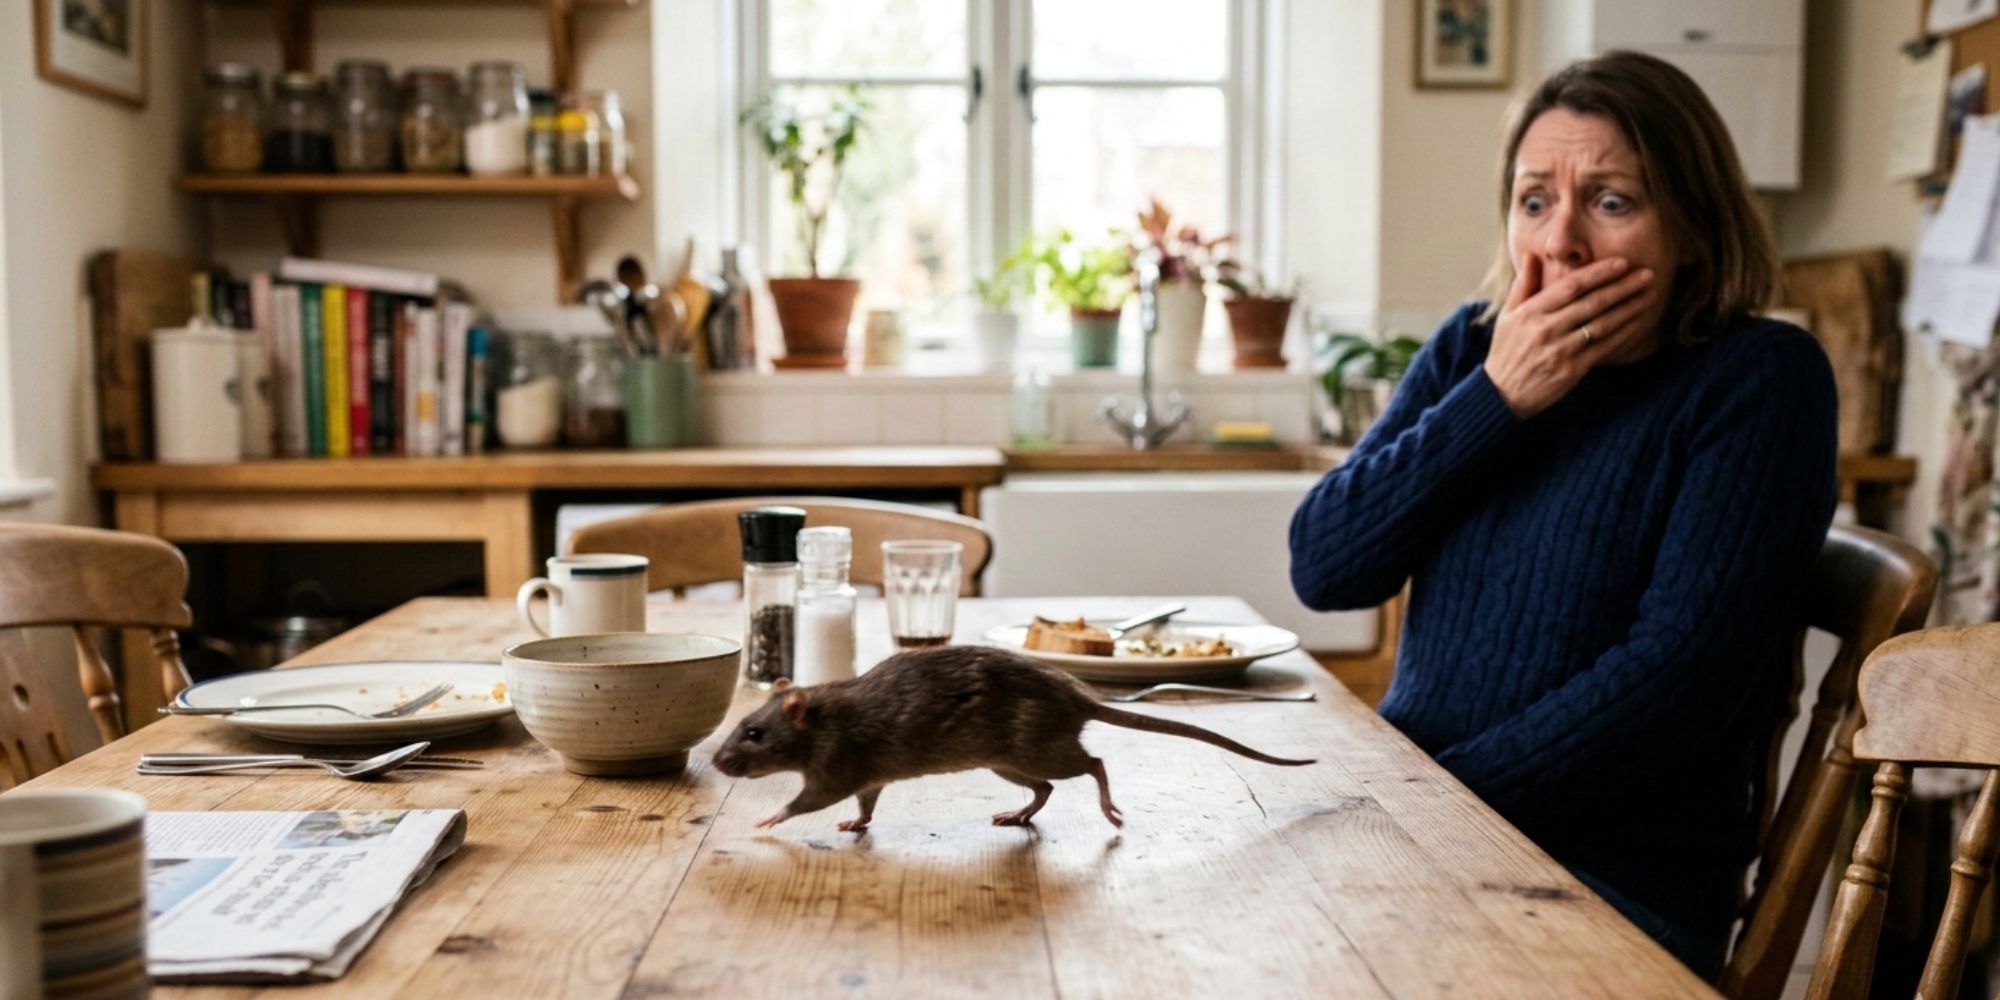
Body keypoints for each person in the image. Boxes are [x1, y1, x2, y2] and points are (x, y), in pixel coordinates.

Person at [1287, 50, 1836, 978]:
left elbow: (1677, 682)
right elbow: (1325, 567)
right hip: (1423, 843)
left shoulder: (1759, 380)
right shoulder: (1473, 349)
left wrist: (1431, 810)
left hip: (1609, 887)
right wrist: (1497, 398)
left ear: (1695, 228)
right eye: (1535, 200)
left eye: (1612, 202)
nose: (1561, 243)